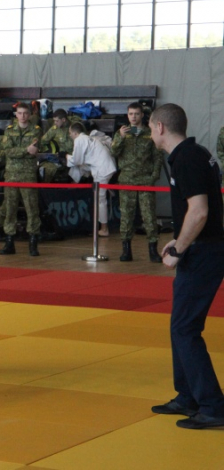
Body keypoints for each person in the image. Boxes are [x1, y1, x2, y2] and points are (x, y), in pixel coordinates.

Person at [148, 103, 224, 430]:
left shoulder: (189, 158)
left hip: (205, 251)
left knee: (185, 328)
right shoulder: (189, 154)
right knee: (180, 325)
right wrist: (176, 240)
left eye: (151, 127)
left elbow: (200, 211)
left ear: (161, 127)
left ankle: (212, 406)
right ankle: (188, 395)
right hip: (200, 248)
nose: (151, 133)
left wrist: (179, 248)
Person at [111, 102, 163, 263]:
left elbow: (157, 157)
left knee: (149, 216)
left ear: (142, 115)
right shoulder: (121, 133)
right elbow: (113, 152)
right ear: (127, 116)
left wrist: (153, 177)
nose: (133, 117)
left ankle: (153, 249)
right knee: (126, 216)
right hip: (126, 180)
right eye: (131, 114)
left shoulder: (149, 133)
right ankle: (126, 250)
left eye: (136, 114)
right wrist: (120, 137)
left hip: (145, 181)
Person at [0, 102, 41, 256]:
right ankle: (9, 242)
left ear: (30, 115)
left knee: (32, 209)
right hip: (11, 175)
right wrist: (25, 150)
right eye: (20, 113)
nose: (22, 116)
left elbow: (34, 150)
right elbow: (8, 151)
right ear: (15, 115)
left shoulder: (36, 130)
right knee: (10, 209)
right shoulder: (9, 131)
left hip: (28, 175)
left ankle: (33, 243)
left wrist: (25, 151)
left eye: (25, 113)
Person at [67, 122, 117, 237]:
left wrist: (65, 156)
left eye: (70, 133)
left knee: (100, 199)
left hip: (102, 170)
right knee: (100, 197)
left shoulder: (79, 140)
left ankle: (104, 229)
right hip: (104, 168)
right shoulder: (88, 138)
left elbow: (76, 160)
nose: (70, 136)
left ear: (75, 133)